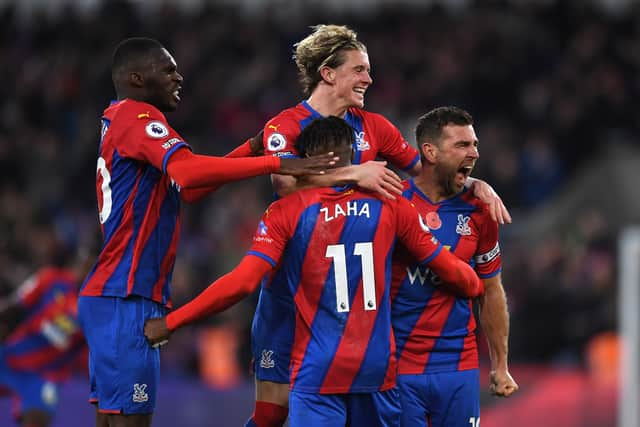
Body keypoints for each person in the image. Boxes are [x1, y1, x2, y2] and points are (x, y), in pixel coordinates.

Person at [144, 116, 485, 427]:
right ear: (354, 156)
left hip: (319, 370)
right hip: (377, 369)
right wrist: (473, 281)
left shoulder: (286, 211)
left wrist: (172, 322)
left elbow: (243, 283)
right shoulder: (392, 204)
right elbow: (456, 273)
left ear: (309, 159)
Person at [248, 24, 511, 427]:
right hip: (296, 288)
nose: (369, 79)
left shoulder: (375, 128)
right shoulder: (286, 125)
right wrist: (356, 174)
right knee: (272, 411)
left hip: (360, 300)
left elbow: (427, 170)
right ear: (329, 74)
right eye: (359, 69)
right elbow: (284, 183)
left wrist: (475, 182)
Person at [77, 37, 340, 427]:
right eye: (167, 69)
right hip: (125, 297)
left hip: (113, 295)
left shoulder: (119, 122)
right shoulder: (136, 117)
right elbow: (187, 171)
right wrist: (278, 164)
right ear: (136, 78)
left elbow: (192, 189)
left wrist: (251, 148)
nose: (178, 76)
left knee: (111, 421)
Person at [390, 106, 519, 427]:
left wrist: (500, 365)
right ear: (430, 151)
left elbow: (491, 289)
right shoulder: (392, 202)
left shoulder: (480, 209)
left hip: (458, 367)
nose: (473, 152)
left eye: (474, 145)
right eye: (462, 145)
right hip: (397, 367)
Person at [0, 235, 87, 427]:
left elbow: (90, 356)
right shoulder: (52, 279)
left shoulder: (97, 311)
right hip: (11, 357)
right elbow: (13, 307)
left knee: (36, 421)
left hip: (45, 377)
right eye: (84, 261)